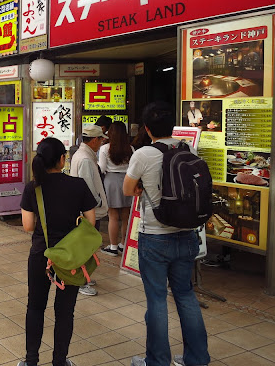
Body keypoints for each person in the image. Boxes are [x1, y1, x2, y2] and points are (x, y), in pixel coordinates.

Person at [124, 101, 210, 366]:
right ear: (172, 126)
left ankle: (157, 361)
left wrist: (142, 186)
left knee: (157, 300)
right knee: (185, 295)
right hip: (186, 234)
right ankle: (197, 358)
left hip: (155, 236)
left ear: (147, 129)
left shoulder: (143, 154)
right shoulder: (188, 148)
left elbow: (127, 189)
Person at [18, 138, 97, 366]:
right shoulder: (78, 185)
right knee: (65, 312)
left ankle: (31, 360)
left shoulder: (33, 188)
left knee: (35, 307)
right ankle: (59, 361)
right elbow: (91, 221)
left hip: (42, 255)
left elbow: (28, 226)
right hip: (71, 258)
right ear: (62, 160)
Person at [70, 124, 109, 296]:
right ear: (94, 140)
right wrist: (98, 202)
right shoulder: (85, 158)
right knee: (85, 246)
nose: (102, 142)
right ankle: (80, 281)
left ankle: (84, 276)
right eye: (101, 139)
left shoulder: (83, 154)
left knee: (86, 245)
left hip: (86, 210)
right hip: (88, 212)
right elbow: (88, 188)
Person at [98, 121, 134, 256]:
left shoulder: (105, 149)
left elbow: (101, 168)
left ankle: (113, 246)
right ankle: (123, 245)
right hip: (127, 180)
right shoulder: (131, 149)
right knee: (126, 217)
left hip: (111, 182)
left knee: (112, 216)